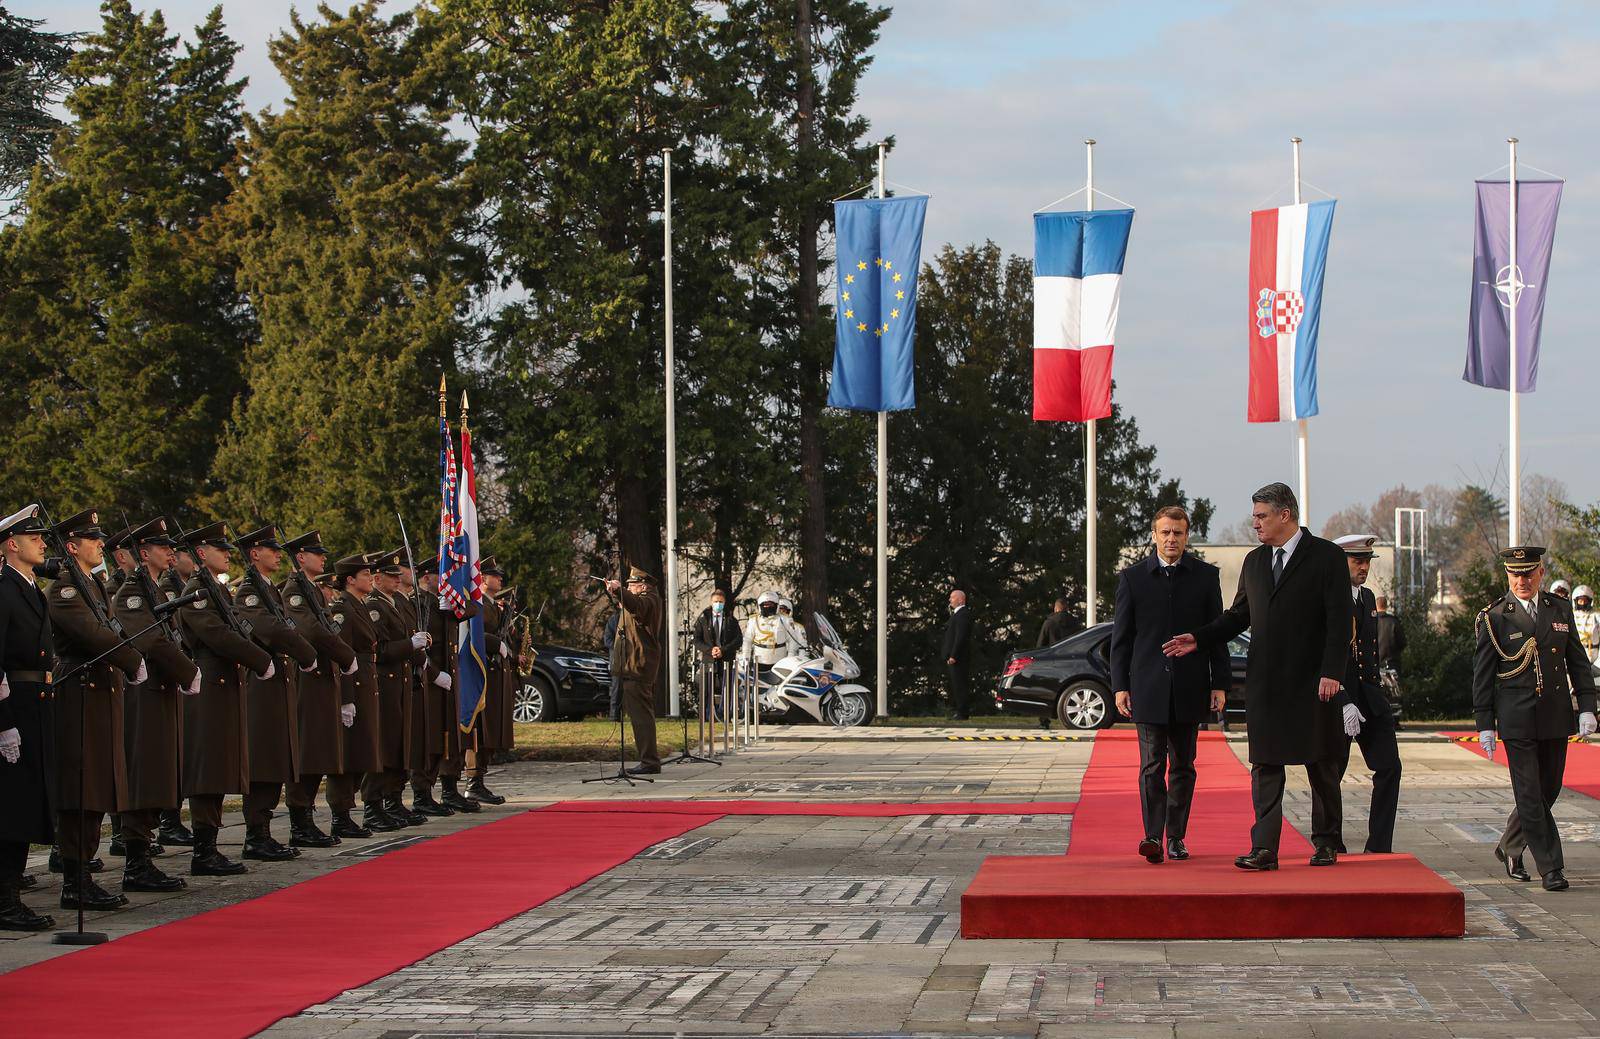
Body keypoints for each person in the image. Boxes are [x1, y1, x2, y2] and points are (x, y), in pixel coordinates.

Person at [1163, 482, 1350, 871]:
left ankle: (1327, 842)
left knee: (1321, 764)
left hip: (1314, 681)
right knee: (1265, 765)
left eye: (1261, 516)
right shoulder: (1254, 562)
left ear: (1285, 515)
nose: (1255, 524)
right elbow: (1237, 616)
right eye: (1254, 517)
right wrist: (1198, 638)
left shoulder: (1327, 557)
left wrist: (1332, 672)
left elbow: (1338, 620)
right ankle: (1264, 848)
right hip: (1265, 683)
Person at [1110, 505, 1228, 864]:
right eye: (1165, 532)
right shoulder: (1133, 579)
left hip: (1191, 687)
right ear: (1154, 535)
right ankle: (1152, 836)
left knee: (1183, 766)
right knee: (1150, 766)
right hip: (1147, 687)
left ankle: (1175, 837)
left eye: (1177, 533)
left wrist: (1219, 683)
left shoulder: (1206, 577)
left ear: (1187, 535)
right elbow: (1122, 638)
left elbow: (1217, 635)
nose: (1171, 539)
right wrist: (1119, 685)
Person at [1476, 546, 1598, 891]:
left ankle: (1510, 846)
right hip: (1516, 718)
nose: (1522, 580)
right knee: (1529, 793)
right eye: (1515, 574)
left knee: (1548, 789)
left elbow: (1577, 660)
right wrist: (1484, 723)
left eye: (1528, 573)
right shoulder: (1495, 615)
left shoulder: (1558, 608)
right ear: (1507, 575)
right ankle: (1551, 868)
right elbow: (1482, 675)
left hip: (1555, 714)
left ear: (1541, 572)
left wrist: (1587, 705)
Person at [47, 508, 144, 910]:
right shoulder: (65, 589)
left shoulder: (92, 585)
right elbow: (95, 636)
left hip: (101, 694)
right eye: (92, 539)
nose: (101, 543)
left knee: (97, 789)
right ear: (71, 547)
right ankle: (75, 880)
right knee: (80, 790)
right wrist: (133, 660)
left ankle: (83, 871)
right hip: (80, 695)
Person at [177, 522, 275, 876]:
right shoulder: (197, 591)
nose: (228, 556)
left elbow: (236, 628)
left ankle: (210, 846)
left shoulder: (215, 590)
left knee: (218, 768)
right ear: (202, 553)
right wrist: (260, 659)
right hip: (209, 686)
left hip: (224, 684)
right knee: (207, 770)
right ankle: (203, 852)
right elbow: (217, 635)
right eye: (221, 550)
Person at [110, 517, 197, 893]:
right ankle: (136, 863)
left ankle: (143, 857)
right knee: (142, 776)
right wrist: (187, 671)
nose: (170, 552)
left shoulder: (155, 591)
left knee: (158, 774)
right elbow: (151, 642)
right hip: (142, 697)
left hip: (160, 693)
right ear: (144, 554)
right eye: (163, 547)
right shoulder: (131, 593)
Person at [232, 525, 319, 860]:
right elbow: (271, 629)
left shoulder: (269, 589)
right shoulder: (249, 591)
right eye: (271, 549)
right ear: (255, 554)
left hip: (278, 685)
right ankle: (255, 834)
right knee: (263, 760)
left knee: (275, 760)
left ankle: (264, 831)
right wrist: (306, 652)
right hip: (262, 687)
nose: (278, 555)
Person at [0, 505, 59, 931]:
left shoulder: (31, 588)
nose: (42, 543)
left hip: (34, 701)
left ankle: (10, 895)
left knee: (23, 805)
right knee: (12, 808)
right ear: (10, 545)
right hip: (13, 705)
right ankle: (6, 902)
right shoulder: (4, 590)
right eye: (33, 537)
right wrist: (3, 723)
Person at [279, 531, 358, 848]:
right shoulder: (293, 591)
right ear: (300, 557)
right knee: (308, 752)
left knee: (319, 752)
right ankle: (300, 822)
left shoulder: (311, 590)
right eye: (316, 553)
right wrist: (345, 655)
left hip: (323, 678)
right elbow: (312, 630)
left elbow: (327, 628)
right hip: (308, 679)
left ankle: (306, 818)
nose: (323, 558)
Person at [1329, 534, 1403, 854]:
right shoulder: (1327, 598)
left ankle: (1378, 846)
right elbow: (1323, 656)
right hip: (1337, 697)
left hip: (1370, 697)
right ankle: (1330, 842)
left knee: (1389, 767)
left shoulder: (1368, 597)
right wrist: (1343, 699)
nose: (1364, 568)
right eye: (1356, 561)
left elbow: (1368, 652)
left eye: (1367, 561)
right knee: (1331, 774)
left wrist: (1377, 696)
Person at [365, 550, 430, 828]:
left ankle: (392, 800)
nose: (396, 579)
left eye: (396, 575)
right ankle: (373, 806)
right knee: (384, 748)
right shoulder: (375, 606)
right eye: (390, 576)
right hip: (386, 682)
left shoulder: (393, 603)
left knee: (398, 745)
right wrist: (410, 645)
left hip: (401, 683)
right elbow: (379, 649)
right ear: (377, 578)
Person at [329, 553, 385, 837]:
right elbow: (343, 654)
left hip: (367, 683)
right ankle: (340, 814)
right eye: (365, 575)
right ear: (350, 580)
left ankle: (346, 812)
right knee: (349, 753)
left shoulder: (358, 606)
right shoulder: (343, 609)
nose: (370, 578)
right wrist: (346, 698)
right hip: (355, 685)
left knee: (362, 751)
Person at [606, 566, 662, 775]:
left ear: (643, 585)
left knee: (641, 716)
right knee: (639, 714)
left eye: (631, 585)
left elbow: (636, 605)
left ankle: (649, 761)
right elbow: (628, 606)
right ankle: (648, 759)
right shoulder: (642, 600)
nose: (629, 589)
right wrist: (616, 592)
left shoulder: (649, 600)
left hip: (638, 666)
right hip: (632, 665)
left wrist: (620, 590)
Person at [692, 588, 742, 721]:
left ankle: (725, 715)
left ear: (724, 603)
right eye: (715, 601)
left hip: (726, 659)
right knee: (707, 689)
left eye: (720, 602)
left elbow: (738, 640)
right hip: (709, 660)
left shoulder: (731, 620)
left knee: (727, 688)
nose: (718, 604)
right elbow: (696, 640)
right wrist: (710, 650)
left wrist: (723, 650)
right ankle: (707, 716)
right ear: (711, 602)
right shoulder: (704, 619)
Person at [740, 591, 803, 679]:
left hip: (780, 661)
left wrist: (790, 657)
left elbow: (792, 640)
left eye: (770, 605)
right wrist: (746, 658)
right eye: (765, 605)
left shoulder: (784, 619)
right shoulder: (753, 621)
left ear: (776, 605)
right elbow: (747, 641)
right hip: (760, 661)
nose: (767, 607)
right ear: (760, 606)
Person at [941, 589, 974, 720]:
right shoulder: (957, 614)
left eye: (952, 597)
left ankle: (962, 712)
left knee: (960, 684)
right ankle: (960, 710)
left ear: (961, 599)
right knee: (957, 684)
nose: (950, 600)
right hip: (955, 657)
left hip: (959, 658)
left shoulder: (963, 614)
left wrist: (954, 655)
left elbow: (961, 637)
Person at [1374, 595, 1406, 679]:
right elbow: (1402, 642)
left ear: (1376, 606)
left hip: (1375, 663)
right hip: (1392, 663)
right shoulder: (1394, 621)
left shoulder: (1371, 621)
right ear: (1386, 605)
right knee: (1394, 690)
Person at [1571, 586, 1599, 664]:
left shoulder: (1596, 616)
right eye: (1580, 601)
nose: (1583, 603)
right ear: (1576, 601)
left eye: (1585, 601)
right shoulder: (1571, 616)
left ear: (1589, 602)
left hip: (1593, 659)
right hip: (1574, 658)